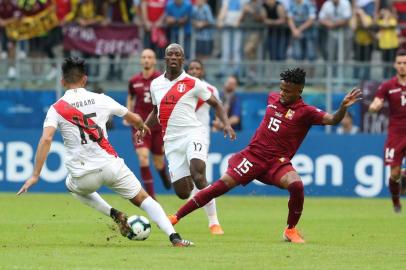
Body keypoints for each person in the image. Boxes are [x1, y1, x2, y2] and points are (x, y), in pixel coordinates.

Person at [168, 68, 362, 243]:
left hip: (277, 163)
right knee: (219, 186)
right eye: (281, 89)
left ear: (299, 91)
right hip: (252, 156)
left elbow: (333, 119)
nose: (282, 93)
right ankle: (175, 217)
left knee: (296, 185)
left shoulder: (306, 112)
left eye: (287, 91)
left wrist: (343, 107)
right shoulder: (272, 98)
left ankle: (290, 230)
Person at [17, 56, 193, 247]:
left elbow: (46, 139)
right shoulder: (101, 99)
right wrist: (141, 126)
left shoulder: (56, 109)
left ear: (62, 81)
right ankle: (175, 238)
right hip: (111, 167)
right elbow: (132, 117)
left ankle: (113, 213)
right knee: (144, 199)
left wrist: (35, 175)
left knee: (70, 184)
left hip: (83, 175)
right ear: (85, 79)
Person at [144, 43, 236, 235]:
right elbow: (156, 111)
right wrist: (143, 127)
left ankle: (214, 222)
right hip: (171, 141)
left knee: (199, 174)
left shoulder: (194, 83)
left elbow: (216, 103)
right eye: (171, 54)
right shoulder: (156, 84)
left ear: (182, 59)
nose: (174, 57)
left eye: (178, 54)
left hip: (194, 133)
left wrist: (226, 123)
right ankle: (195, 190)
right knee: (183, 192)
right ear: (165, 59)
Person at [126, 49, 171, 200]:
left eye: (149, 57)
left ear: (154, 61)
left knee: (158, 163)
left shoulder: (161, 80)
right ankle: (152, 197)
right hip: (139, 125)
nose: (146, 60)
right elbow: (131, 97)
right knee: (143, 157)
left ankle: (164, 175)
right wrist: (128, 114)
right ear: (140, 60)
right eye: (144, 57)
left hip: (157, 126)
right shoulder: (133, 81)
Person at [368, 50, 406, 213]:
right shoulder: (388, 86)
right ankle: (396, 202)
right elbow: (375, 103)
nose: (402, 66)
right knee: (395, 173)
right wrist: (373, 107)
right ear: (394, 65)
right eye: (399, 63)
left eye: (405, 63)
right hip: (396, 134)